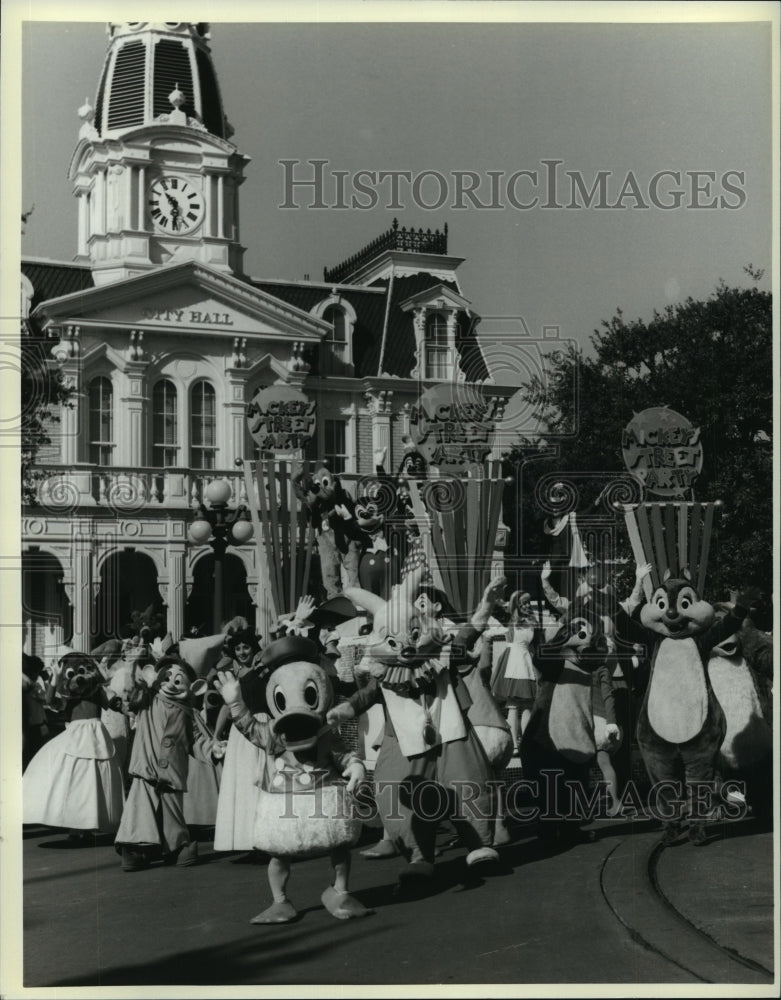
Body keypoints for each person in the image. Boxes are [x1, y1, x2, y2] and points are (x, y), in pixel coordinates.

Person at [24, 652, 126, 838]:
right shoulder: (68, 698)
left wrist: (123, 705)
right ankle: (77, 825)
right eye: (71, 674)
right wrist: (55, 678)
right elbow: (49, 700)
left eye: (81, 671)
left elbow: (110, 702)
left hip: (96, 737)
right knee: (77, 781)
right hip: (76, 738)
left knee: (95, 780)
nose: (77, 678)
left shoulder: (96, 692)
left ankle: (93, 822)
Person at [489, 591, 541, 755]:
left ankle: (525, 743)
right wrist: (494, 594)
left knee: (527, 705)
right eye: (522, 603)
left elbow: (538, 644)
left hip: (527, 662)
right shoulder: (509, 619)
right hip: (512, 661)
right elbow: (493, 609)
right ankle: (514, 745)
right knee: (513, 705)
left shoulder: (534, 621)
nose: (526, 605)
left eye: (527, 602)